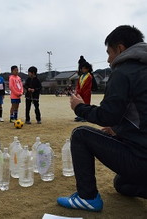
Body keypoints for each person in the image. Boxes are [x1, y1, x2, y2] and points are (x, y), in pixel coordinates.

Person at [57, 25, 147, 212]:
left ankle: (87, 197)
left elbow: (108, 115)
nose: (108, 59)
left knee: (81, 134)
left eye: (109, 52)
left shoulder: (124, 71)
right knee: (122, 184)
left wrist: (79, 107)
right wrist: (120, 129)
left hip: (141, 158)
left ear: (120, 48)